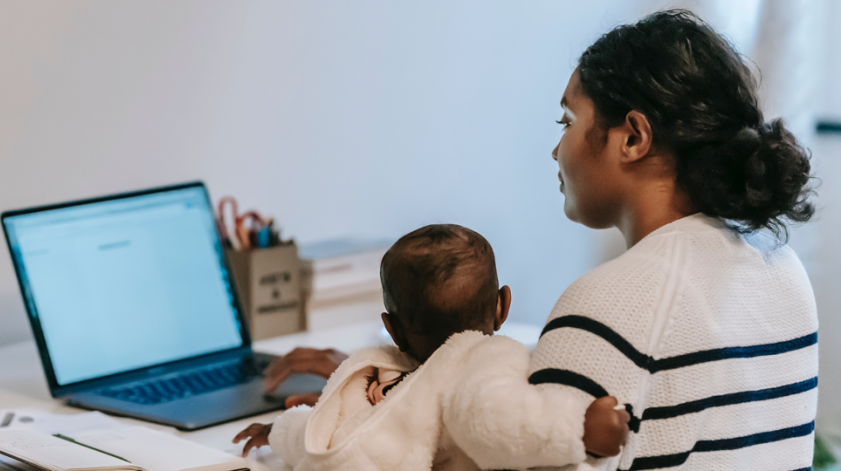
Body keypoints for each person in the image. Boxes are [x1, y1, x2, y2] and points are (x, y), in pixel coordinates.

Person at [262, 10, 819, 470]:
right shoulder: (781, 269)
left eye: (566, 122)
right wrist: (412, 388)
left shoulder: (613, 301)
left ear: (632, 136)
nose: (557, 151)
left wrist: (363, 424)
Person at [235, 224, 630, 470]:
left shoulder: (378, 375)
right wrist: (579, 429)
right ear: (503, 306)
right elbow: (496, 423)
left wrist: (277, 432)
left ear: (392, 329)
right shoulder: (486, 358)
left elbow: (326, 434)